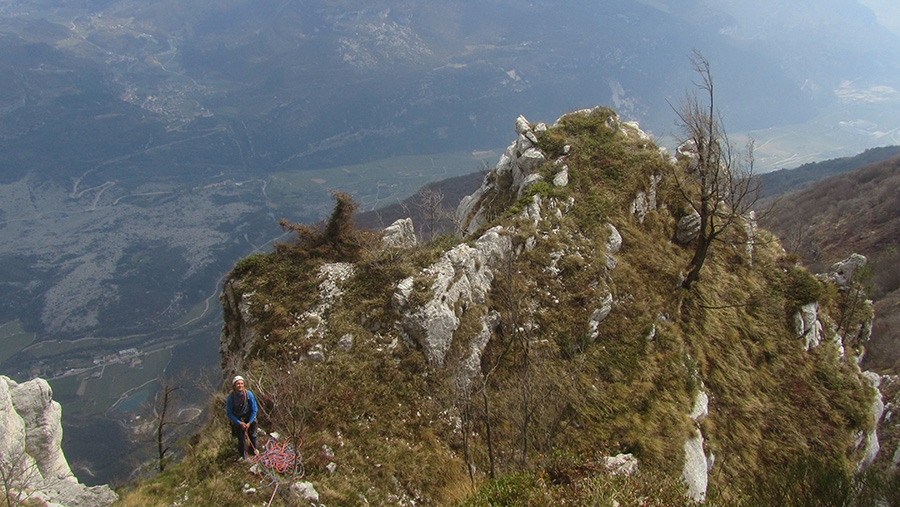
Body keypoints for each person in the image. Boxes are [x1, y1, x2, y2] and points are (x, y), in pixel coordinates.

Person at [226, 375, 258, 460]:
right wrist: (239, 423)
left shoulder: (248, 395)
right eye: (238, 384)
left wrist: (249, 422)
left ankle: (254, 450)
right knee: (241, 438)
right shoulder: (230, 398)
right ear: (234, 386)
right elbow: (229, 413)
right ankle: (243, 455)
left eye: (241, 383)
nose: (240, 385)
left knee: (252, 435)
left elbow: (254, 409)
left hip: (249, 417)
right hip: (238, 419)